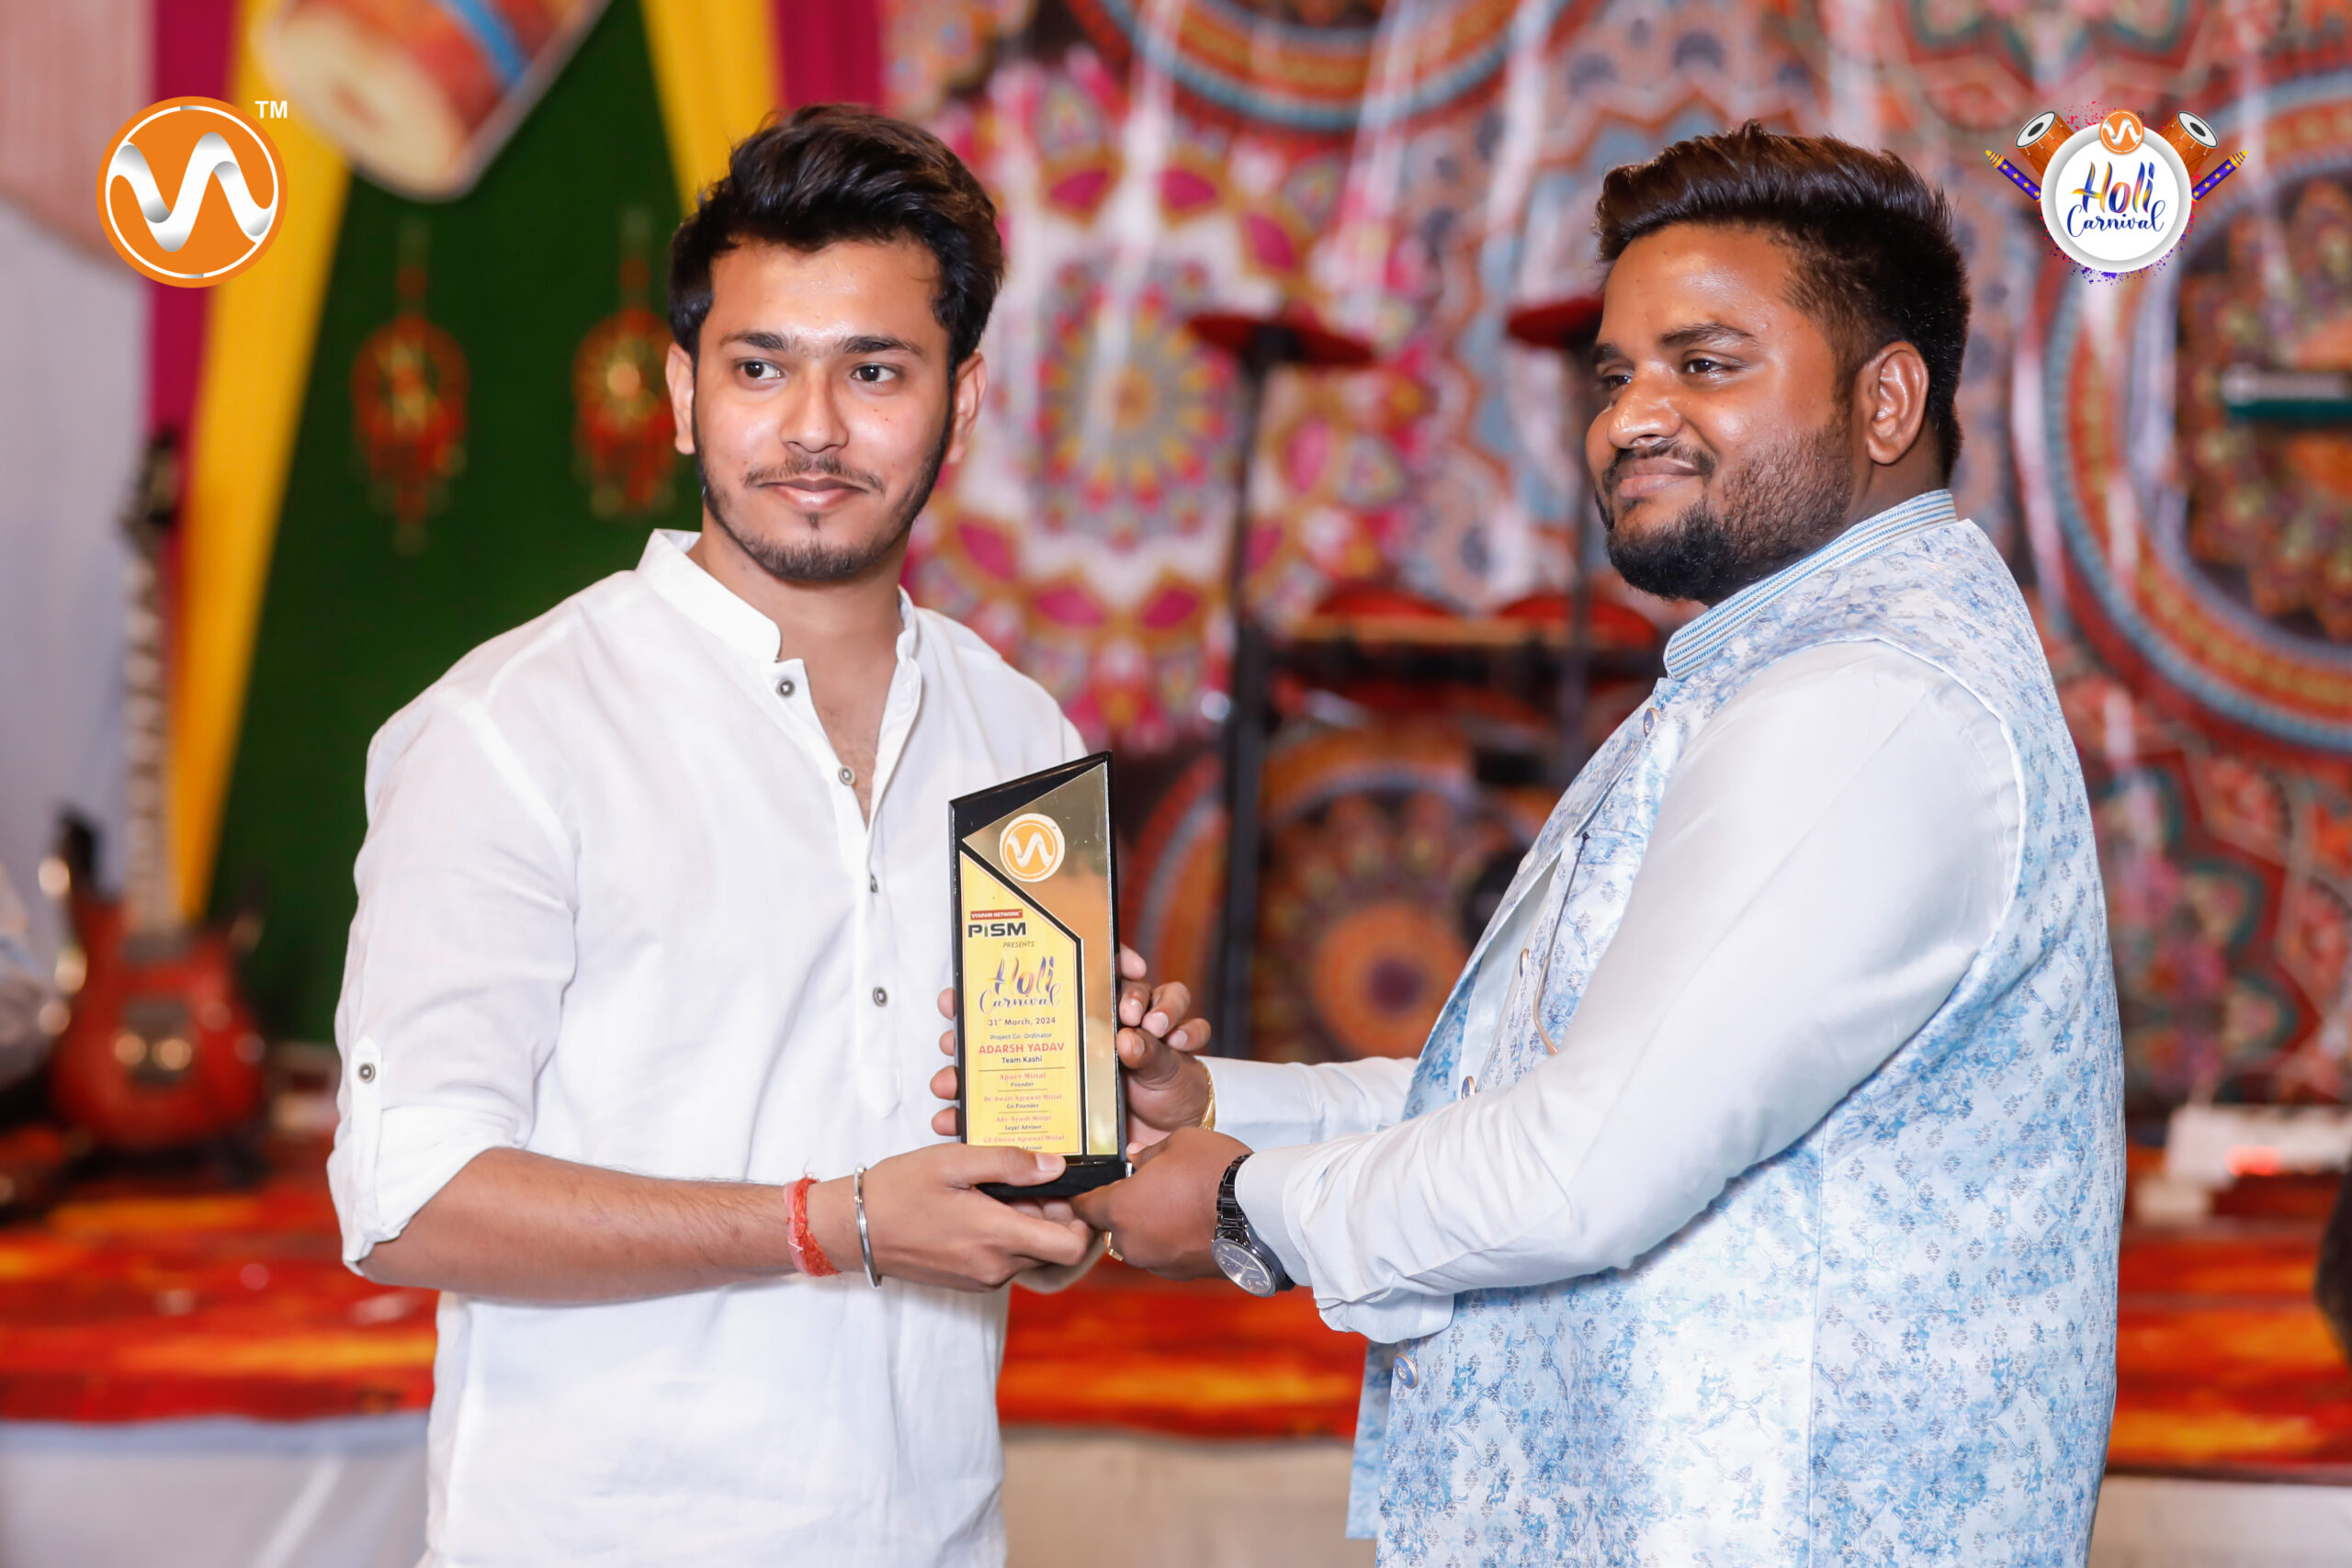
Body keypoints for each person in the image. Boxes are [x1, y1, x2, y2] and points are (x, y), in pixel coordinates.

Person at [1067, 125, 2125, 1562]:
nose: (1631, 418)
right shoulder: (1775, 667)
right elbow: (1542, 1088)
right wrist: (1214, 1103)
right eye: (1616, 374)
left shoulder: (1865, 702)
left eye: (1707, 364)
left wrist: (1243, 1205)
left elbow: (1583, 1166)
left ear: (1886, 401)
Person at [325, 107, 1201, 1566]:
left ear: (963, 404)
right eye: (758, 366)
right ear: (683, 393)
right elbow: (404, 1203)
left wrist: (1112, 1132)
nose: (813, 428)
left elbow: (1032, 1225)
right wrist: (831, 1221)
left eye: (875, 370)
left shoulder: (1019, 735)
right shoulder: (512, 729)